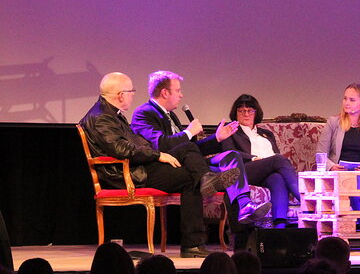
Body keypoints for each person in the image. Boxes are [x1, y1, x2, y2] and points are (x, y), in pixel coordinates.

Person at [80, 72, 240, 258]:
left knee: (189, 157)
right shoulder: (102, 117)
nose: (133, 94)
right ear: (121, 95)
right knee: (190, 177)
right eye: (131, 91)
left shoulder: (111, 113)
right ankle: (192, 243)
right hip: (125, 173)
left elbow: (135, 145)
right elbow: (121, 149)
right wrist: (157, 155)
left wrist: (157, 154)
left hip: (138, 165)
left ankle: (205, 182)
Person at [130, 71, 271, 241]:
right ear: (165, 93)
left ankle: (244, 213)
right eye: (178, 91)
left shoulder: (171, 115)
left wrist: (217, 138)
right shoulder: (143, 113)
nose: (181, 95)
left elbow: (191, 149)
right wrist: (188, 132)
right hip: (163, 169)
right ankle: (240, 236)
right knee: (223, 175)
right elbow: (160, 145)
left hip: (185, 162)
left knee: (232, 165)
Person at [222, 94, 301, 229]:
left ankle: (279, 226)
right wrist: (252, 158)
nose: (246, 114)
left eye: (250, 110)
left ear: (256, 113)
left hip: (267, 170)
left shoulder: (266, 133)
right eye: (241, 111)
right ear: (235, 113)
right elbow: (229, 153)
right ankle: (303, 197)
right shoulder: (231, 130)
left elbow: (275, 154)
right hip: (244, 171)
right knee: (279, 160)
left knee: (277, 178)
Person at [316, 83, 360, 213]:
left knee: (358, 177)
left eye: (352, 100)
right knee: (354, 178)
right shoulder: (333, 122)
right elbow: (320, 153)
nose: (346, 103)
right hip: (338, 170)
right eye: (345, 98)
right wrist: (331, 166)